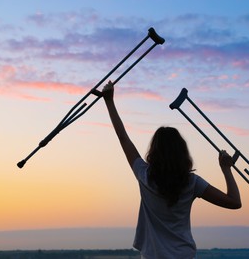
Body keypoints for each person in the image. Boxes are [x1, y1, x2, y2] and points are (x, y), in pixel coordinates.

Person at [102, 81, 241, 259]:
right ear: (182, 152)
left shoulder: (144, 175)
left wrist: (109, 101)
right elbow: (234, 202)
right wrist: (226, 169)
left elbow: (123, 138)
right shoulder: (192, 182)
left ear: (154, 151)